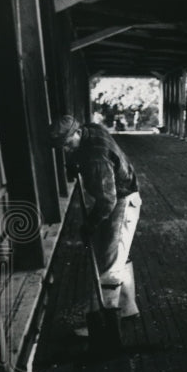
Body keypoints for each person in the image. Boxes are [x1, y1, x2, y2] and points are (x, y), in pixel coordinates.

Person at [48, 114, 142, 326]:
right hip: (123, 196)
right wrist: (74, 161)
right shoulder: (92, 130)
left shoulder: (95, 158)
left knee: (108, 263)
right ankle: (126, 308)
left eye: (67, 144)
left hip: (120, 203)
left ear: (78, 133)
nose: (65, 150)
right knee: (117, 254)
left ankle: (103, 323)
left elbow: (107, 201)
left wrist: (89, 225)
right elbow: (80, 150)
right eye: (61, 147)